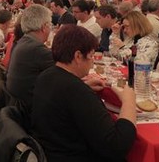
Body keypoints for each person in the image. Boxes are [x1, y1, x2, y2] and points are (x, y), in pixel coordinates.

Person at [31, 24, 136, 161]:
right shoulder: (75, 91)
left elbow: (64, 100)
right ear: (78, 56)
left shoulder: (46, 76)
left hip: (50, 151)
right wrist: (128, 101)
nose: (92, 63)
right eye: (91, 56)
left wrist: (83, 86)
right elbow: (116, 146)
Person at [7, 4, 54, 112]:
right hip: (32, 111)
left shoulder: (24, 41)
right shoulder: (37, 49)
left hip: (18, 105)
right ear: (44, 27)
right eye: (50, 24)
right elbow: (65, 74)